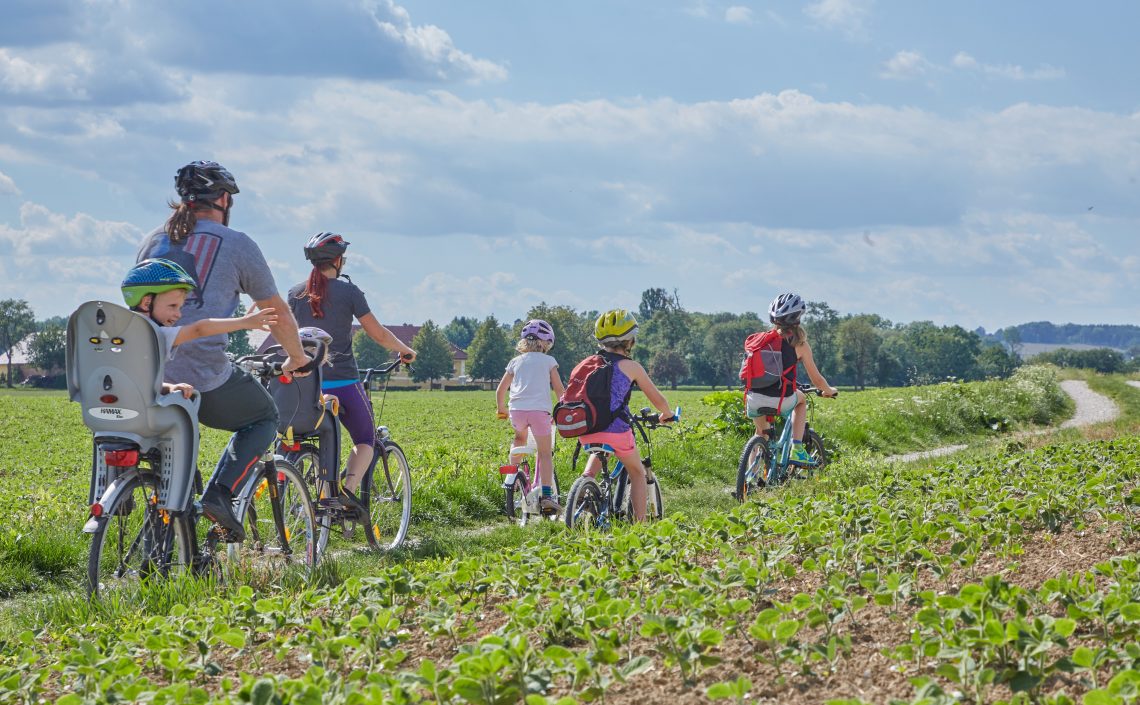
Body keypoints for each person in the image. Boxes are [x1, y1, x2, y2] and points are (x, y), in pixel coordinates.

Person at [137, 160, 310, 541]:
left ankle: (169, 550)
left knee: (172, 465)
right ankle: (220, 494)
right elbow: (276, 312)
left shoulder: (153, 239)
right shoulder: (237, 244)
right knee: (264, 416)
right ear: (224, 199)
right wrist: (298, 358)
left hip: (148, 375)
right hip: (204, 376)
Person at [287, 232, 416, 509]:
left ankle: (317, 495)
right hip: (342, 381)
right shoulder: (349, 292)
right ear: (338, 260)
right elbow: (378, 334)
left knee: (311, 434)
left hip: (304, 384)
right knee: (365, 439)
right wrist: (405, 350)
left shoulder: (295, 294)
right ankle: (346, 493)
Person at [120, 258, 278, 398]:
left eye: (180, 307)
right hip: (142, 416)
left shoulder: (116, 333)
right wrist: (245, 322)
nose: (178, 314)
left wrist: (170, 388)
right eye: (173, 306)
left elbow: (137, 383)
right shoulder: (155, 334)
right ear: (147, 302)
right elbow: (200, 329)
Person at [577, 309, 675, 522]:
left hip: (586, 429)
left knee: (601, 445)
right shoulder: (631, 366)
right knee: (637, 472)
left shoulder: (588, 363)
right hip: (616, 431)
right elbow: (657, 399)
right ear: (630, 341)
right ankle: (639, 526)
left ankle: (585, 484)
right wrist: (667, 414)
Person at [745, 292, 838, 466]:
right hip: (781, 399)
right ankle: (797, 449)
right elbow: (817, 379)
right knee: (801, 401)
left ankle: (749, 480)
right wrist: (828, 390)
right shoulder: (800, 344)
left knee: (760, 433)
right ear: (797, 319)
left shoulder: (760, 341)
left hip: (753, 398)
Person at [496, 319, 566, 514]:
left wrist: (501, 409)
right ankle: (546, 496)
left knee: (519, 439)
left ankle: (514, 475)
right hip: (539, 413)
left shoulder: (515, 362)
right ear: (545, 343)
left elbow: (501, 390)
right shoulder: (549, 361)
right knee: (544, 453)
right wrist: (564, 407)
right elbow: (559, 389)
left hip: (517, 411)